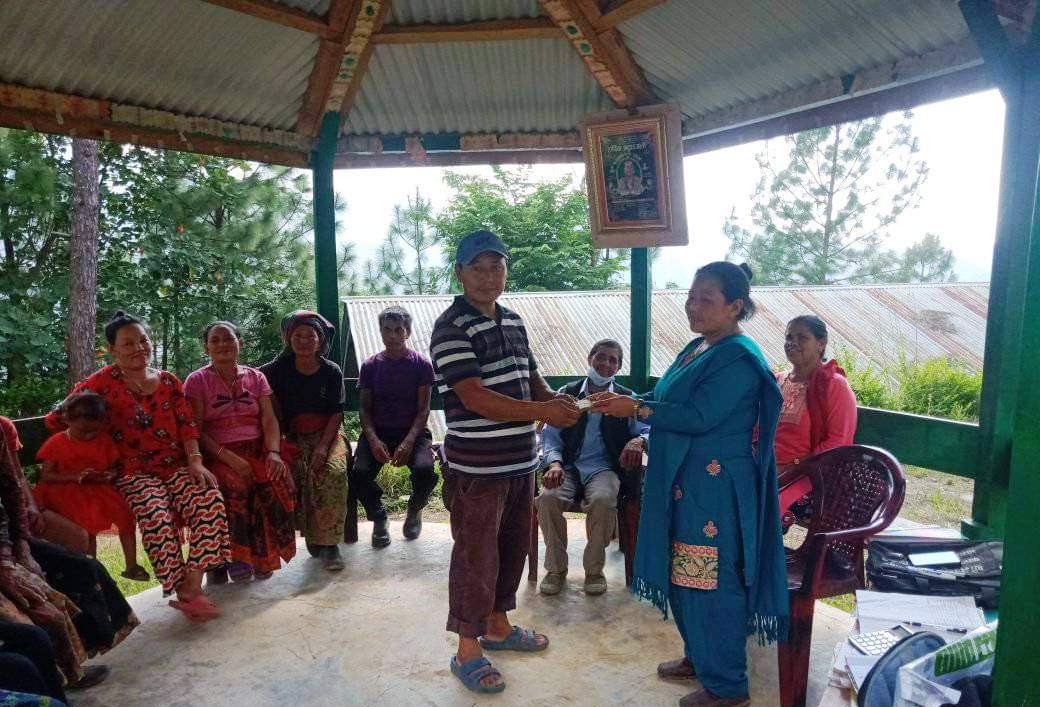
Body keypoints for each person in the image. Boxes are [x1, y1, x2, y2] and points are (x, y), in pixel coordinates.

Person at [592, 262, 788, 707]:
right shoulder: (698, 347)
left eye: (706, 299)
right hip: (685, 482)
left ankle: (728, 685)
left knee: (710, 578)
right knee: (685, 571)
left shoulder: (739, 357)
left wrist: (635, 410)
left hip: (715, 489)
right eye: (690, 296)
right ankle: (700, 656)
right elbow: (668, 399)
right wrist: (633, 401)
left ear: (736, 306)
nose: (693, 306)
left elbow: (700, 416)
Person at [431, 230, 581, 695]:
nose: (488, 276)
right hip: (477, 469)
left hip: (519, 462)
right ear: (459, 273)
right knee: (476, 557)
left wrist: (555, 401)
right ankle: (467, 649)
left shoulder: (513, 320)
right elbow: (474, 397)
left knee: (512, 549)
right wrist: (543, 411)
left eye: (496, 267)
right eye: (477, 268)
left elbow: (530, 376)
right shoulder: (451, 327)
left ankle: (497, 626)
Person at [45, 311, 231, 622]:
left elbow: (187, 426)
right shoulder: (100, 382)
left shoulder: (169, 381)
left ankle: (191, 585)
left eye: (143, 340)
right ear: (112, 350)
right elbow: (57, 419)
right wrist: (88, 440)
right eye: (128, 344)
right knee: (155, 514)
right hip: (132, 472)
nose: (138, 348)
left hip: (176, 465)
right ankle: (184, 591)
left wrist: (196, 461)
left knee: (208, 499)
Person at [534, 338, 649, 596]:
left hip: (605, 468)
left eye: (613, 360)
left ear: (618, 367)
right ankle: (555, 569)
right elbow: (550, 436)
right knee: (548, 498)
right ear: (590, 359)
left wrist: (638, 440)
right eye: (601, 357)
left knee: (603, 500)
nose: (606, 364)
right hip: (568, 466)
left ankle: (594, 571)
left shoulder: (626, 399)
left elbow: (647, 429)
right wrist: (554, 463)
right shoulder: (567, 393)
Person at [185, 321, 296, 583]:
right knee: (234, 486)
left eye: (228, 339)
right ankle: (235, 559)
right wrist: (228, 457)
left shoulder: (256, 377)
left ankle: (262, 558)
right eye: (215, 340)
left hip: (257, 449)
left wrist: (273, 453)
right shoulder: (197, 381)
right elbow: (194, 429)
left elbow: (269, 419)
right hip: (217, 453)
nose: (222, 344)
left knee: (274, 483)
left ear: (240, 343)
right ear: (206, 347)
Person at [0, 433, 110, 691]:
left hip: (8, 543)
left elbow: (11, 488)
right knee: (36, 627)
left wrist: (21, 546)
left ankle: (75, 666)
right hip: (4, 553)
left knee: (80, 569)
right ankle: (57, 680)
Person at [260, 311, 349, 572]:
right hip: (290, 437)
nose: (304, 341)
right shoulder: (275, 371)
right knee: (294, 474)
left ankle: (330, 544)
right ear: (288, 339)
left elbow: (336, 413)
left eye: (310, 336)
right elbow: (262, 397)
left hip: (327, 434)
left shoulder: (331, 371)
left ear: (320, 340)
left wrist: (322, 447)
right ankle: (311, 536)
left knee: (332, 473)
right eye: (298, 335)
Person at [33, 392, 147, 582]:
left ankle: (132, 565)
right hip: (65, 490)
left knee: (125, 514)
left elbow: (114, 467)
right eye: (83, 431)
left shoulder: (103, 439)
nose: (88, 435)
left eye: (93, 431)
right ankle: (92, 570)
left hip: (97, 488)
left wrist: (109, 474)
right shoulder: (58, 442)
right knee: (87, 524)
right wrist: (75, 476)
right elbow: (46, 475)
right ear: (68, 420)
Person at [352, 306, 437, 547]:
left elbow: (423, 410)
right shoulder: (370, 366)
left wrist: (408, 442)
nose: (392, 335)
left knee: (425, 470)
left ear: (407, 332)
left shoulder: (421, 364)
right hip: (378, 431)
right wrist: (373, 440)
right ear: (380, 332)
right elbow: (364, 409)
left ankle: (415, 508)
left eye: (398, 330)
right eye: (387, 330)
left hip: (413, 432)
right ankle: (379, 518)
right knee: (358, 474)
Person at [774, 315, 858, 531]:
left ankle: (762, 554)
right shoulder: (776, 381)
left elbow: (838, 443)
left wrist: (791, 468)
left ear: (821, 344)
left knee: (765, 508)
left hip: (810, 477)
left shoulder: (834, 385)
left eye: (802, 338)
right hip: (767, 470)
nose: (792, 343)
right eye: (789, 337)